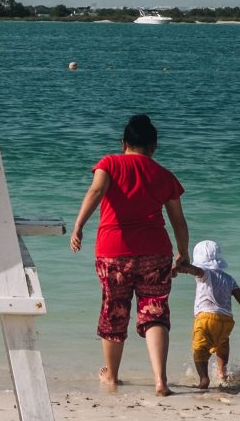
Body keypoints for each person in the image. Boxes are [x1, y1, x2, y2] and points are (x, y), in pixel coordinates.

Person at [69, 113, 191, 396]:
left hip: (114, 253)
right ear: (154, 146)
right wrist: (183, 254)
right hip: (156, 252)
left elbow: (97, 190)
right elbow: (179, 221)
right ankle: (161, 381)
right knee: (155, 312)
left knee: (115, 310)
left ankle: (111, 377)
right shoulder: (164, 175)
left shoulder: (109, 163)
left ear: (123, 143)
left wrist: (79, 226)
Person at [179, 239, 240, 391]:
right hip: (226, 320)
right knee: (222, 345)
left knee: (199, 349)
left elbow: (196, 271)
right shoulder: (229, 278)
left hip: (206, 318)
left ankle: (204, 378)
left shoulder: (205, 273)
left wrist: (185, 268)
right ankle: (222, 373)